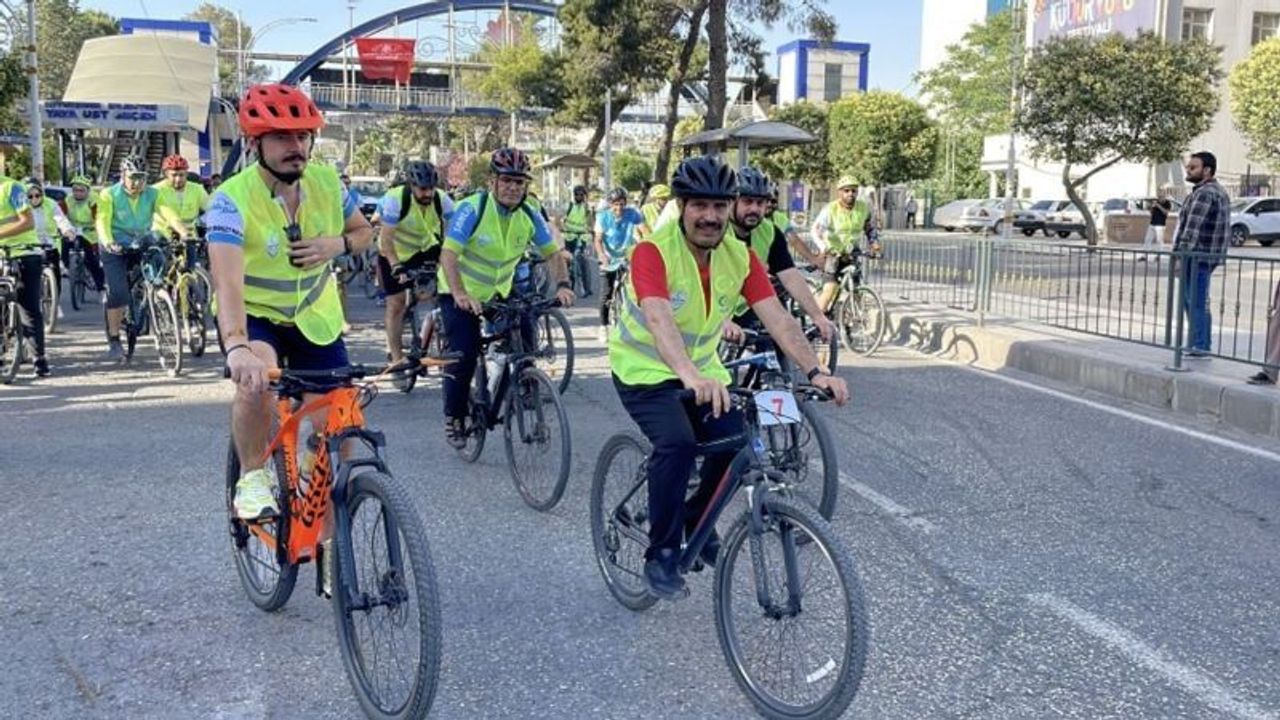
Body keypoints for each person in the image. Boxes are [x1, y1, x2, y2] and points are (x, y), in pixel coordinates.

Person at [609, 154, 848, 599]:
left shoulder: (740, 256)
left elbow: (778, 318)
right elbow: (659, 317)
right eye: (699, 205)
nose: (710, 216)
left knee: (738, 442)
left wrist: (816, 370)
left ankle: (696, 518)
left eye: (719, 206)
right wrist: (688, 375)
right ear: (682, 207)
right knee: (678, 444)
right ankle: (661, 555)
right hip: (644, 370)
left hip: (702, 371)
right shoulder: (652, 252)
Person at [211, 83, 374, 520]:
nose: (296, 146)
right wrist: (237, 347)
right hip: (255, 317)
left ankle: (323, 523)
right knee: (257, 382)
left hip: (314, 316)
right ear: (254, 143)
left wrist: (336, 244)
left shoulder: (327, 184)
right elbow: (227, 284)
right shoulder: (230, 200)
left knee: (339, 429)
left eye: (302, 136)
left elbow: (364, 233)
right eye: (282, 137)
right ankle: (252, 476)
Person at [438, 147, 575, 447]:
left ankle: (524, 385)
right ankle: (455, 416)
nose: (513, 187)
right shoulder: (472, 208)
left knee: (526, 334)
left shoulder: (528, 214)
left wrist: (563, 285)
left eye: (519, 182)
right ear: (493, 181)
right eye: (507, 180)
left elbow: (552, 254)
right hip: (459, 292)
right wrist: (460, 293)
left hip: (498, 292)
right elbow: (448, 254)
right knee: (464, 353)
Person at [723, 167, 833, 344]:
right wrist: (719, 320)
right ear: (731, 202)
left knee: (781, 342)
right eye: (747, 201)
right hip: (713, 312)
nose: (754, 209)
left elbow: (790, 276)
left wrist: (817, 316)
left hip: (748, 308)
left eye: (760, 203)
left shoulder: (770, 232)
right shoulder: (716, 230)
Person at [96, 157, 187, 362]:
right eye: (133, 177)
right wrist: (109, 242)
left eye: (142, 178)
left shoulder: (153, 194)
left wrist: (184, 232)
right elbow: (102, 221)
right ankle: (114, 339)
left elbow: (169, 214)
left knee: (160, 261)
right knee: (119, 293)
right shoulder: (109, 194)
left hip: (140, 241)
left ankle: (156, 299)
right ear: (123, 176)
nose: (137, 183)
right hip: (115, 246)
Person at [377, 160, 453, 366]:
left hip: (425, 248)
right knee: (397, 303)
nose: (428, 193)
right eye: (422, 189)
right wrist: (395, 265)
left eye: (431, 188)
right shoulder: (395, 200)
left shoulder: (442, 200)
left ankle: (434, 334)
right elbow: (386, 239)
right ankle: (396, 357)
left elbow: (455, 232)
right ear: (411, 186)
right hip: (394, 252)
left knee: (442, 291)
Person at [1174, 151, 1229, 358]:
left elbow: (1192, 228)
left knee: (1195, 301)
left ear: (1207, 170)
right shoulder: (1215, 191)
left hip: (1197, 255)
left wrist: (1180, 256)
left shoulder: (1205, 193)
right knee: (1196, 301)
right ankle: (1199, 343)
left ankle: (1200, 345)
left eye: (1193, 167)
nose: (1188, 171)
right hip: (1205, 255)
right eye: (1188, 167)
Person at [0, 174, 48, 377]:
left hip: (24, 251)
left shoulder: (12, 187)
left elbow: (28, 222)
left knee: (29, 307)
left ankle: (39, 358)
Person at [810, 176, 880, 313]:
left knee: (856, 289)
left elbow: (869, 228)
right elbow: (815, 230)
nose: (850, 194)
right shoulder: (831, 209)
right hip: (833, 253)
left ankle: (853, 316)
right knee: (830, 289)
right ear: (839, 192)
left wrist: (874, 244)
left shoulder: (863, 208)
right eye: (846, 191)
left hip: (851, 253)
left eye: (853, 191)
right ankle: (817, 321)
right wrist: (824, 248)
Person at [594, 186, 649, 343]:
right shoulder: (602, 217)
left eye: (622, 204)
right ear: (610, 204)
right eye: (615, 204)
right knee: (606, 293)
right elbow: (598, 240)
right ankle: (603, 326)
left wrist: (648, 246)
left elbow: (645, 231)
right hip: (609, 258)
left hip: (627, 255)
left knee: (636, 289)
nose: (619, 208)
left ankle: (635, 323)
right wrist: (601, 255)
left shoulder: (632, 214)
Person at [154, 154, 211, 272]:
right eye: (174, 175)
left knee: (191, 269)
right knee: (162, 269)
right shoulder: (156, 190)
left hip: (188, 235)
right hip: (163, 234)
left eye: (181, 175)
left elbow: (211, 210)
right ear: (166, 174)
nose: (178, 179)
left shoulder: (197, 189)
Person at [62, 175, 106, 292]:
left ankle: (101, 287)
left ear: (88, 190)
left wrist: (99, 228)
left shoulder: (94, 200)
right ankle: (69, 268)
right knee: (64, 245)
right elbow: (61, 215)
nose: (77, 193)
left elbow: (99, 217)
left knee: (93, 261)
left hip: (90, 232)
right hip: (73, 230)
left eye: (81, 190)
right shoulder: (68, 199)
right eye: (75, 190)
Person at [559, 184, 595, 297]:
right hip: (569, 236)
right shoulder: (569, 206)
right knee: (566, 260)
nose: (578, 196)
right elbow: (560, 219)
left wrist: (590, 230)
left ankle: (586, 287)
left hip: (581, 237)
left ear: (584, 196)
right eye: (576, 194)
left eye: (581, 195)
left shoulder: (587, 208)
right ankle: (564, 284)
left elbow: (591, 221)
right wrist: (561, 227)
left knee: (582, 259)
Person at [1141, 192, 1172, 260]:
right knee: (1147, 239)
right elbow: (1151, 212)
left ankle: (1159, 256)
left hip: (1160, 225)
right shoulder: (1156, 202)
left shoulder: (1167, 203)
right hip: (1152, 223)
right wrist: (1151, 207)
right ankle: (1144, 255)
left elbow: (1166, 212)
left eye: (1161, 197)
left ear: (1164, 197)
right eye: (1159, 197)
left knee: (1159, 240)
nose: (1160, 198)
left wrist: (1158, 205)